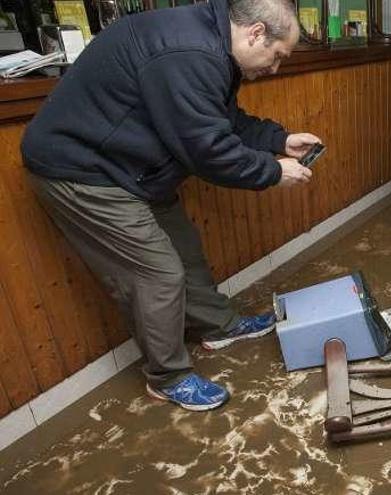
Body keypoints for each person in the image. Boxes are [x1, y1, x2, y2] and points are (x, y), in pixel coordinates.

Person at [20, 0, 319, 411]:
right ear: (255, 34)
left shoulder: (213, 46)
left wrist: (278, 141)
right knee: (157, 272)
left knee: (184, 249)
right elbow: (209, 151)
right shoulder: (190, 53)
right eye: (277, 56)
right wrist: (272, 171)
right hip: (84, 171)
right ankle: (167, 376)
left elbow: (222, 120)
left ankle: (218, 326)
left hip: (135, 167)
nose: (274, 68)